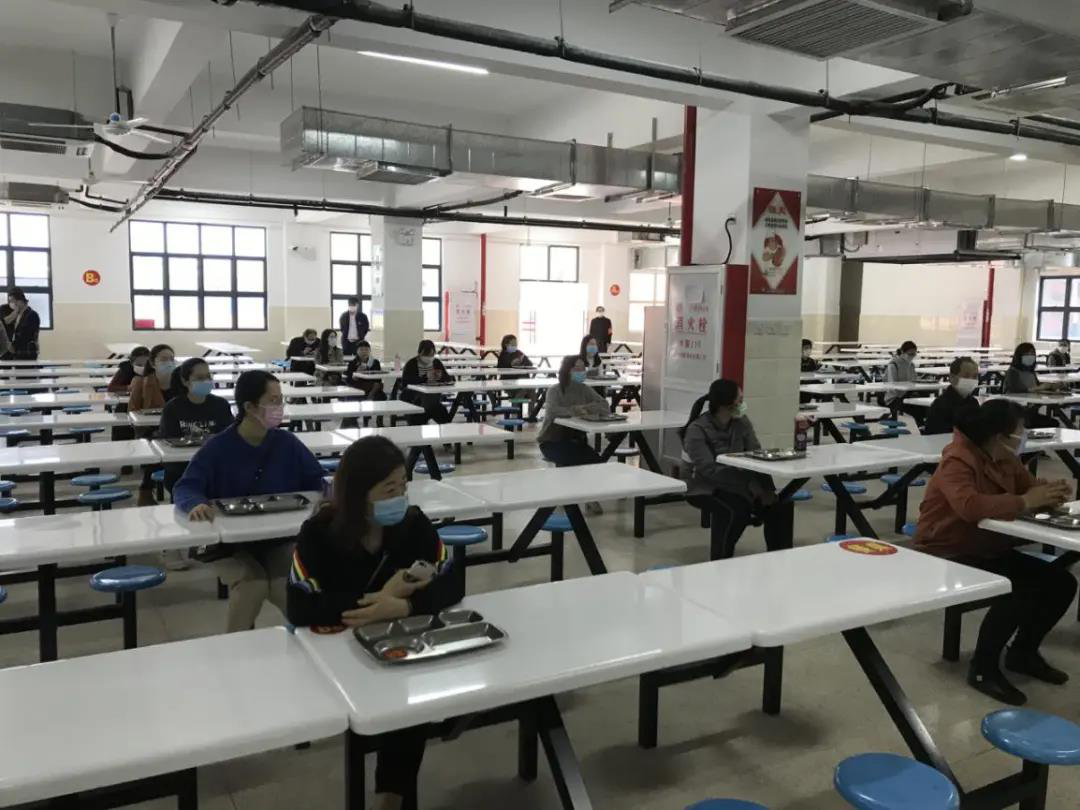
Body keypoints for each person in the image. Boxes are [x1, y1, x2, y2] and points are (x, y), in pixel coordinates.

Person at [288, 436, 462, 810]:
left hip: (399, 642)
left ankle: (390, 796)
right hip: (336, 653)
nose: (400, 497)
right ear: (358, 493)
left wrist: (404, 606)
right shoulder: (319, 533)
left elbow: (453, 578)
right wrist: (377, 601)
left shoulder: (413, 525)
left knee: (408, 698)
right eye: (389, 489)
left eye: (403, 486)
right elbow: (300, 605)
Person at [914, 399, 1076, 705]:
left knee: (1062, 583)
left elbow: (1028, 488)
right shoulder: (957, 460)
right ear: (1000, 435)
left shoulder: (1005, 458)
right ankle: (983, 669)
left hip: (988, 545)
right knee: (1017, 590)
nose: (1024, 436)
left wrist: (1050, 493)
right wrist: (1026, 501)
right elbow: (969, 506)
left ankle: (1022, 653)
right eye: (1020, 430)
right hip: (947, 548)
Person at [174, 370, 325, 632]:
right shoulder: (218, 447)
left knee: (286, 586)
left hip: (277, 538)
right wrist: (195, 503)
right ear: (249, 407)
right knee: (252, 586)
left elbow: (317, 481)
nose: (280, 407)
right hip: (229, 544)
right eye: (273, 401)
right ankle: (234, 650)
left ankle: (312, 642)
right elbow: (186, 486)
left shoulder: (287, 443)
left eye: (281, 400)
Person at [681, 379, 793, 559]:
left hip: (738, 483)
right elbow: (708, 470)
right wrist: (748, 485)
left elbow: (756, 455)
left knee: (780, 506)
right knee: (736, 511)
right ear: (726, 404)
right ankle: (721, 561)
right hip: (703, 486)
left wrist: (767, 489)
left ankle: (778, 558)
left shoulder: (741, 422)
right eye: (740, 400)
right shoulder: (697, 430)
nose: (743, 404)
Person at [537, 355, 608, 513]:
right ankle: (579, 498)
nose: (581, 371)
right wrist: (577, 410)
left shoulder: (584, 389)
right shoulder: (555, 391)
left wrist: (586, 408)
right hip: (552, 442)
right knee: (572, 463)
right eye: (577, 368)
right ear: (567, 370)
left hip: (577, 441)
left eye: (583, 368)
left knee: (598, 463)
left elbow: (604, 405)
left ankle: (586, 495)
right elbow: (553, 411)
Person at [159, 358, 233, 492]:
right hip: (182, 470)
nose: (206, 381)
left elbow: (229, 437)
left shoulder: (221, 405)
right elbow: (168, 442)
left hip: (215, 467)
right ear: (185, 381)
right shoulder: (172, 408)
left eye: (208, 377)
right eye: (199, 378)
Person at [1002, 342, 1060, 428]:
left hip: (1030, 409)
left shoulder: (1030, 372)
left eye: (1032, 354)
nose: (1030, 356)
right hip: (1016, 412)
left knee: (1053, 423)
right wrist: (1038, 388)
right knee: (1050, 423)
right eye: (1027, 354)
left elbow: (1037, 386)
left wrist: (1051, 387)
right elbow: (1015, 389)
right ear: (1019, 356)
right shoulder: (1012, 372)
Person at [400, 340, 454, 426]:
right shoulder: (412, 364)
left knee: (445, 419)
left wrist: (440, 377)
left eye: (431, 355)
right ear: (419, 353)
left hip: (434, 401)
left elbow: (448, 379)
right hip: (415, 401)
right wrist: (425, 377)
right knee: (416, 419)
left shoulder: (436, 363)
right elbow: (405, 383)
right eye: (426, 355)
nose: (429, 357)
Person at [925, 356, 981, 435]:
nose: (971, 380)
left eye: (975, 376)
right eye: (966, 376)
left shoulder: (973, 403)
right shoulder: (940, 406)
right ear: (952, 378)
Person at [128, 344, 178, 413]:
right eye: (164, 359)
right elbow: (132, 411)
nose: (169, 363)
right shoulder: (140, 383)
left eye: (172, 359)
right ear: (152, 364)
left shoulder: (182, 384)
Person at [1, 288, 40, 360]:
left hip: (26, 352)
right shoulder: (17, 314)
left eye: (12, 301)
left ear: (20, 301)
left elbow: (26, 335)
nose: (11, 303)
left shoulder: (32, 315)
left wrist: (13, 346)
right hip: (17, 352)